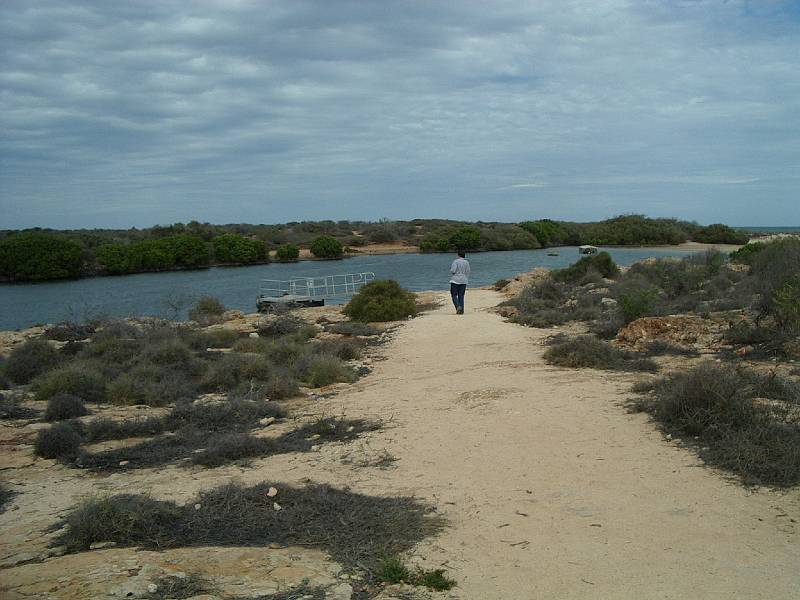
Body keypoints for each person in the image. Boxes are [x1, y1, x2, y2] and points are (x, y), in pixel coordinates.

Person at [449, 249, 470, 314]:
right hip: (464, 280)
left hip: (455, 280)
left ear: (458, 255)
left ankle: (458, 306)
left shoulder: (455, 261)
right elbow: (468, 272)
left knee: (454, 295)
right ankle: (462, 310)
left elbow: (453, 271)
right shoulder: (467, 262)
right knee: (461, 296)